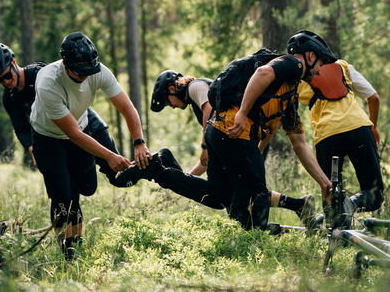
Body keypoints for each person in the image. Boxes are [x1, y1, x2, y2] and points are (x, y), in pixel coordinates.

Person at [116, 30, 335, 231]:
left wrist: (324, 182)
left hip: (219, 133)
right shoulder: (294, 64)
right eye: (320, 63)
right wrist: (242, 114)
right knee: (255, 195)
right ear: (309, 55)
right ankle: (260, 241)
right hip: (233, 132)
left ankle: (157, 170)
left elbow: (299, 143)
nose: (318, 72)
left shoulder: (290, 94)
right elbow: (261, 73)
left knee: (218, 196)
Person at [21, 32, 149, 259]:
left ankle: (77, 241)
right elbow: (72, 134)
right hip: (48, 137)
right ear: (65, 64)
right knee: (62, 196)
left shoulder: (97, 70)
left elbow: (127, 108)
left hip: (80, 128)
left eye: (90, 72)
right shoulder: (48, 81)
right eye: (80, 73)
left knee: (86, 187)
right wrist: (110, 156)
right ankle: (67, 253)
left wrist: (139, 142)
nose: (86, 77)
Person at [150, 70, 317, 226]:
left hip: (242, 137)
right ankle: (299, 205)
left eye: (166, 101)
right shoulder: (199, 98)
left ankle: (275, 221)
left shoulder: (195, 86)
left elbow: (209, 109)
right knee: (238, 193)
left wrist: (204, 146)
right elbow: (206, 161)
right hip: (243, 138)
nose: (170, 106)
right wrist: (187, 181)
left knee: (241, 194)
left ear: (172, 88)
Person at [0, 43, 129, 185]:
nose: (5, 82)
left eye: (6, 75)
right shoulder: (10, 98)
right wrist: (34, 152)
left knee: (119, 173)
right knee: (71, 184)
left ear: (13, 62)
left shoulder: (40, 73)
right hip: (60, 133)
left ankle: (146, 167)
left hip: (87, 120)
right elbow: (21, 129)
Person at [298, 59, 384, 227]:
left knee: (329, 191)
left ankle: (336, 238)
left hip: (327, 134)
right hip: (359, 128)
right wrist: (373, 126)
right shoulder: (343, 66)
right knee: (374, 194)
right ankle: (352, 203)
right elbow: (373, 97)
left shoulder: (299, 75)